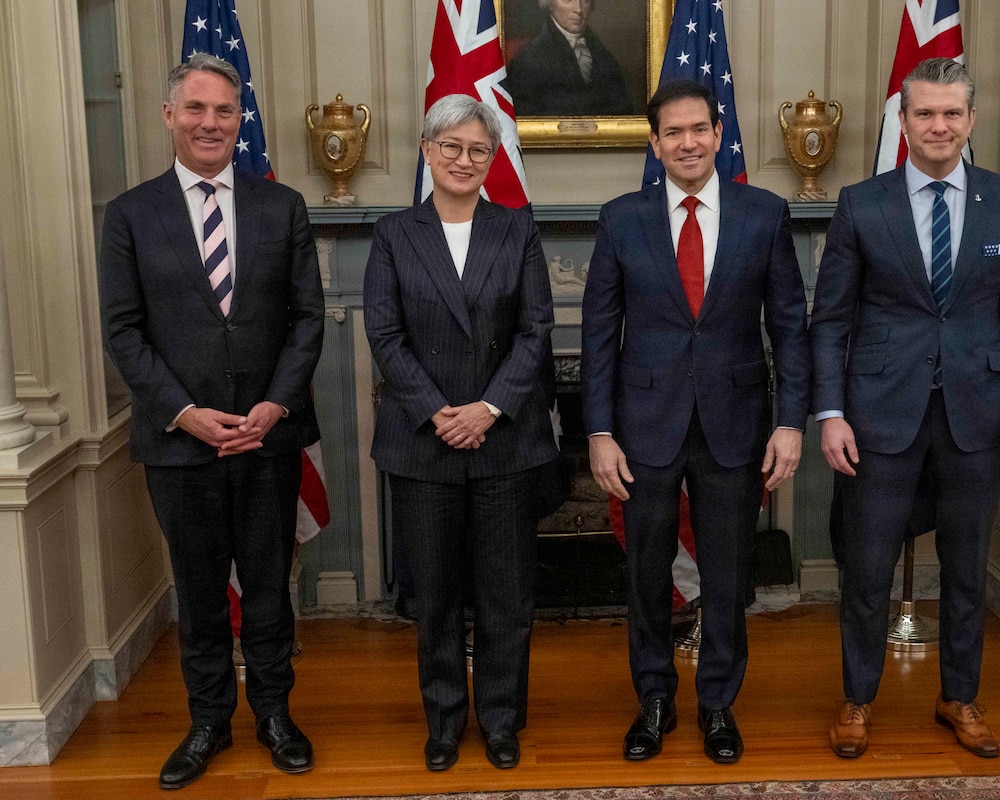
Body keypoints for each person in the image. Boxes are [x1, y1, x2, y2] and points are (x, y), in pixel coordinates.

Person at [810, 57, 1000, 760]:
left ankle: (959, 695)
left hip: (975, 414)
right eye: (925, 113)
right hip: (876, 414)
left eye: (952, 113)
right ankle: (858, 700)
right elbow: (829, 319)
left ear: (971, 120)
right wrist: (830, 411)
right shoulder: (863, 203)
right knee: (866, 568)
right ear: (905, 122)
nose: (940, 125)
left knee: (968, 568)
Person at [100, 53, 324, 789]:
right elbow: (124, 332)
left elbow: (306, 320)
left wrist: (274, 405)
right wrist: (187, 415)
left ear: (241, 118)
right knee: (198, 598)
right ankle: (207, 724)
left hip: (267, 439)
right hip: (180, 447)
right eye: (195, 109)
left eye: (224, 110)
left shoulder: (281, 205)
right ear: (169, 115)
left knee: (267, 589)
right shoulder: (131, 215)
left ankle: (274, 716)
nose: (210, 123)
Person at [581, 79, 811, 765]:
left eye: (699, 130)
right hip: (643, 426)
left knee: (727, 574)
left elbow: (791, 330)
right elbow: (597, 336)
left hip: (736, 425)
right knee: (647, 573)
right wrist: (598, 431)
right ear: (655, 143)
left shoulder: (764, 213)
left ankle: (717, 704)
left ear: (718, 134)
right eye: (672, 132)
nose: (687, 142)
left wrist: (791, 421)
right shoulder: (621, 218)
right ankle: (653, 700)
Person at [364, 94, 557, 772]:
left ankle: (501, 721)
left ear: (493, 158)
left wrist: (488, 409)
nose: (465, 160)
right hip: (424, 442)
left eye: (479, 149)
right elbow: (384, 334)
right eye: (451, 148)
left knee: (507, 597)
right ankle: (444, 721)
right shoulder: (393, 235)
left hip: (504, 441)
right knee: (437, 596)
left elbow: (537, 329)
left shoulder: (518, 228)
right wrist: (441, 411)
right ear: (427, 151)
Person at [507, 0, 636, 117]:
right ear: (550, 4)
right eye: (568, 0)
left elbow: (624, 112)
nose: (578, 9)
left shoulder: (607, 60)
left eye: (585, 1)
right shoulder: (528, 61)